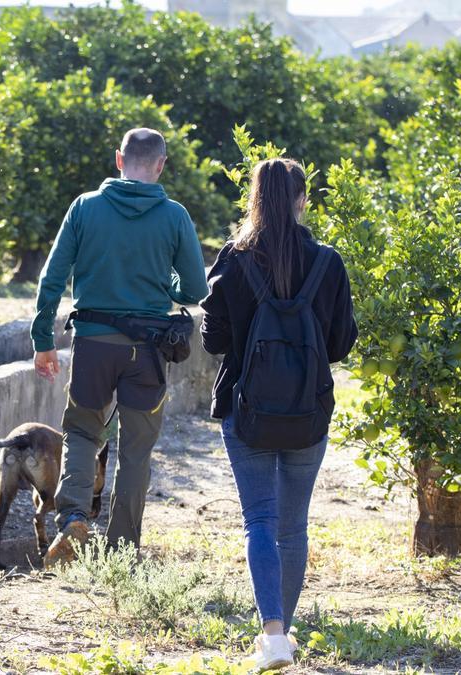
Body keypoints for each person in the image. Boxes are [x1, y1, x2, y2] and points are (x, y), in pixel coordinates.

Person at [200, 158, 356, 670]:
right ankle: (281, 634)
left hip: (246, 408)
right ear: (302, 200)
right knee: (294, 526)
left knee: (259, 520)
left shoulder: (233, 257)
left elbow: (216, 339)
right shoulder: (328, 263)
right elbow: (339, 344)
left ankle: (271, 636)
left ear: (255, 200)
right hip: (308, 411)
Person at [32, 128, 208, 567]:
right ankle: (121, 549)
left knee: (81, 431)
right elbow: (194, 290)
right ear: (161, 164)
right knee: (135, 450)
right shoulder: (175, 216)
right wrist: (163, 280)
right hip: (148, 352)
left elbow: (52, 279)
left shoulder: (85, 207)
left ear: (118, 159)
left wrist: (43, 341)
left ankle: (73, 516)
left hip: (93, 343)